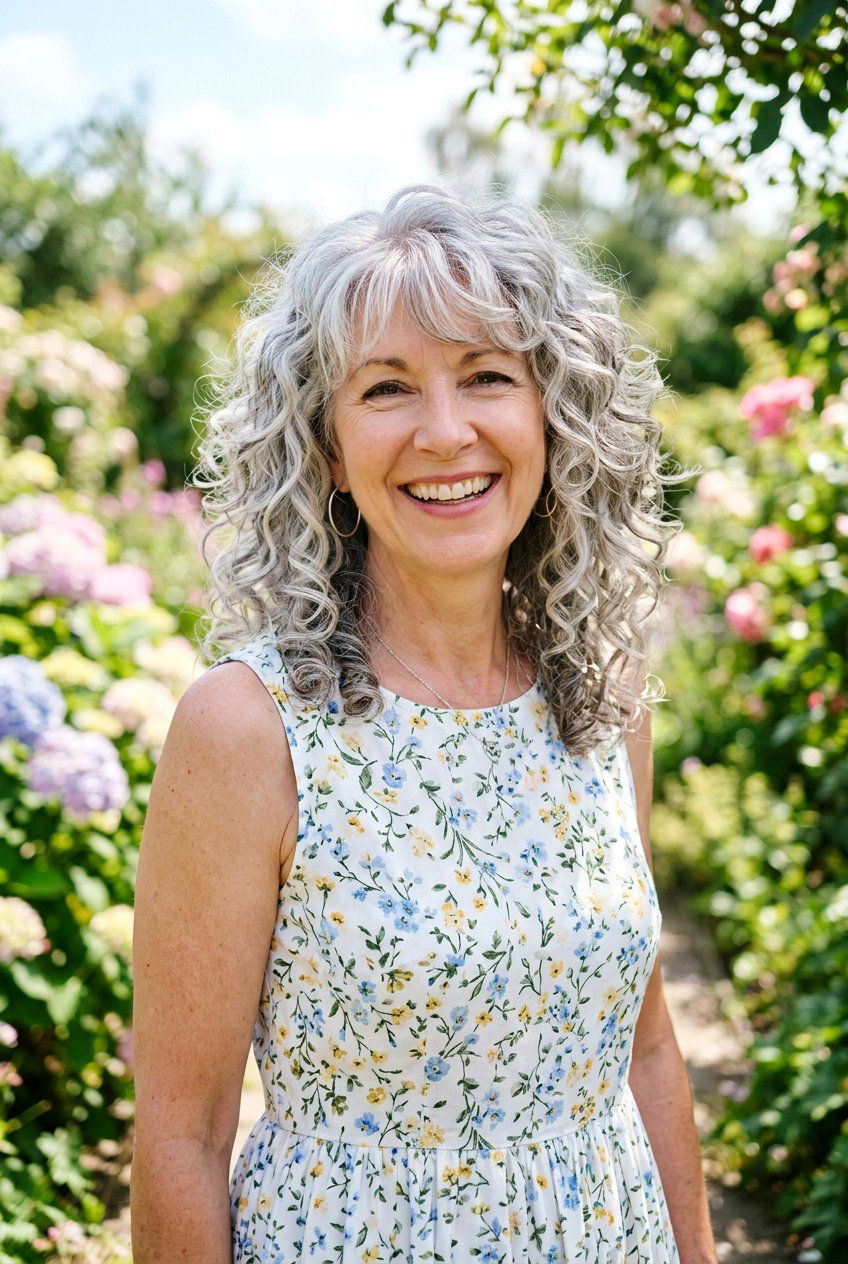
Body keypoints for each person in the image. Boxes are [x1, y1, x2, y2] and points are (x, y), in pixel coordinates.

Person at [130, 184, 718, 1264]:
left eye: (487, 376)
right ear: (324, 443)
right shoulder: (247, 730)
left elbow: (641, 1051)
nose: (445, 433)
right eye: (386, 388)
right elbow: (184, 1134)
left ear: (555, 413)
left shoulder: (600, 695)